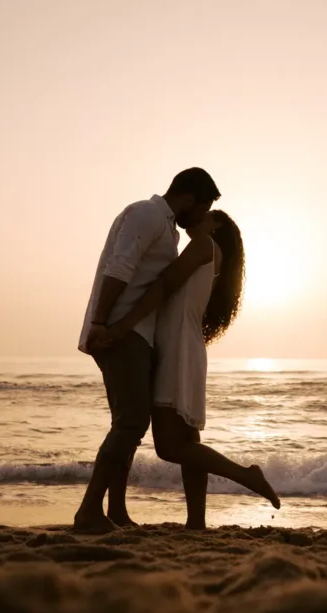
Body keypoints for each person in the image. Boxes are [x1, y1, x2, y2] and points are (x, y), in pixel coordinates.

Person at [102, 210, 280, 529]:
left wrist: (122, 323)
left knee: (169, 446)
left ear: (216, 225)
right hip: (187, 346)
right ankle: (196, 521)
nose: (196, 217)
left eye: (206, 214)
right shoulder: (214, 255)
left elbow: (165, 284)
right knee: (188, 442)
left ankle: (244, 474)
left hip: (177, 348)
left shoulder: (204, 245)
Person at [74, 168, 221, 533]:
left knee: (127, 424)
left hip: (134, 334)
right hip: (122, 333)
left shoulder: (168, 228)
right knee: (131, 423)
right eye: (203, 207)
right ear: (188, 198)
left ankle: (116, 512)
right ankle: (89, 511)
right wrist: (101, 323)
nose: (202, 217)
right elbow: (118, 267)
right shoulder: (147, 214)